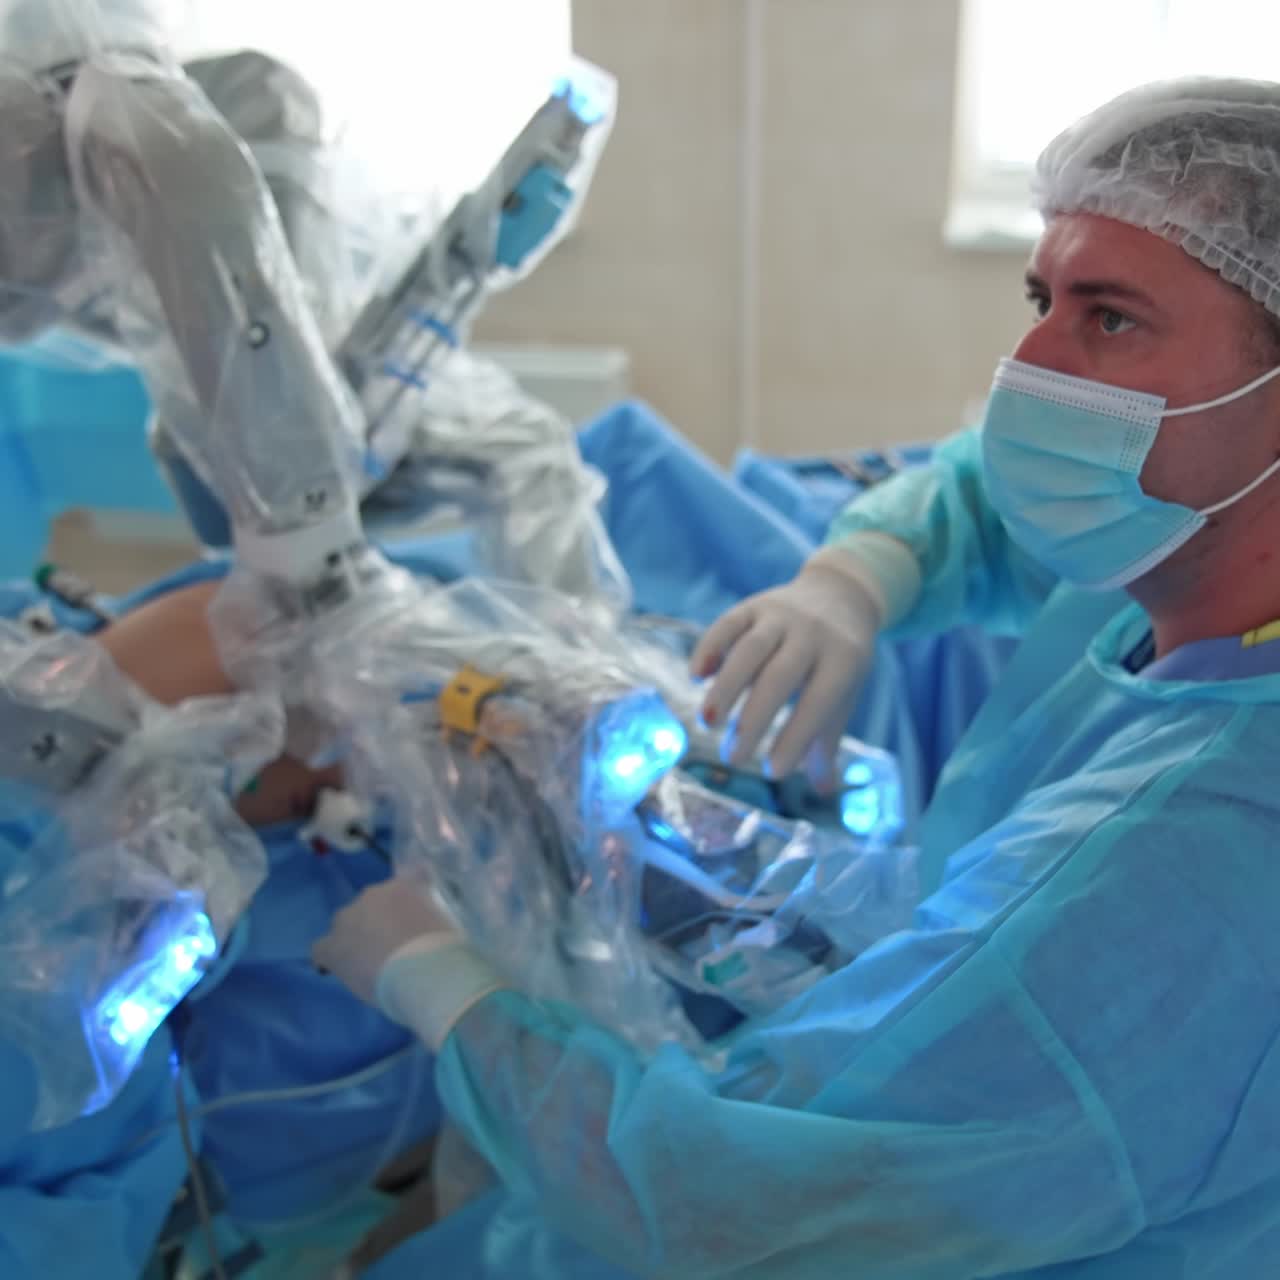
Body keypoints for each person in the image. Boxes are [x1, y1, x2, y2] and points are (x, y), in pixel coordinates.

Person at [311, 77, 1280, 1278]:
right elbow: (981, 492)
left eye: (1109, 318)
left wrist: (439, 981)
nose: (1027, 364)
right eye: (1038, 299)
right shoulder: (1187, 552)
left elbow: (723, 1208)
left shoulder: (1181, 864)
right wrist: (857, 576)